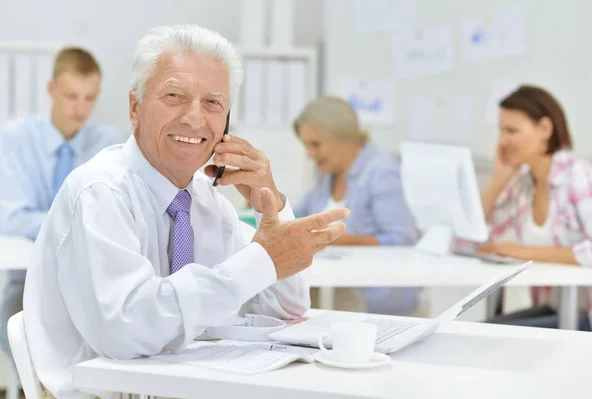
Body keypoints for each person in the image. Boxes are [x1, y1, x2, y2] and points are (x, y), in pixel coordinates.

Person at [23, 25, 349, 398]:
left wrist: (267, 203)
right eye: (175, 96)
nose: (195, 118)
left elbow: (285, 307)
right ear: (135, 108)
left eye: (213, 103)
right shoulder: (101, 191)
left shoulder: (206, 200)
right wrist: (262, 259)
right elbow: (128, 330)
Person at [0, 47, 124, 364]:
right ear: (51, 89)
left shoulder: (111, 143)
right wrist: (73, 223)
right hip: (28, 281)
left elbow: (116, 215)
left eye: (90, 97)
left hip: (92, 281)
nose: (81, 108)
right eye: (71, 96)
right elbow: (11, 219)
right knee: (21, 329)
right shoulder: (13, 139)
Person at [479, 85, 592, 331]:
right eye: (501, 131)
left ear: (545, 129)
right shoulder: (523, 185)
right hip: (557, 310)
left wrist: (522, 252)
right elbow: (477, 239)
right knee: (479, 332)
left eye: (512, 131)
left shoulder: (578, 176)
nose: (503, 141)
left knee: (488, 338)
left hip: (591, 315)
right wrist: (498, 179)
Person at [293, 96, 420, 316]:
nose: (309, 154)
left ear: (342, 137)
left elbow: (403, 239)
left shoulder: (382, 171)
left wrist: (334, 238)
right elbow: (295, 218)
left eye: (316, 144)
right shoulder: (327, 175)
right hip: (335, 294)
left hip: (377, 301)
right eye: (306, 146)